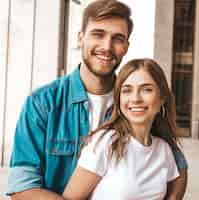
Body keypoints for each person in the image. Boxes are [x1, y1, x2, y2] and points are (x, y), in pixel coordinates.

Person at [7, 0, 187, 199]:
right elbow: (21, 188)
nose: (107, 46)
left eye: (118, 38)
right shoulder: (42, 103)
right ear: (80, 38)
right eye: (98, 34)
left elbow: (177, 163)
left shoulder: (133, 103)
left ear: (126, 46)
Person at [63, 58, 185, 200]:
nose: (135, 98)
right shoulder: (105, 142)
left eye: (147, 89)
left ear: (162, 97)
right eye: (127, 90)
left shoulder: (164, 150)